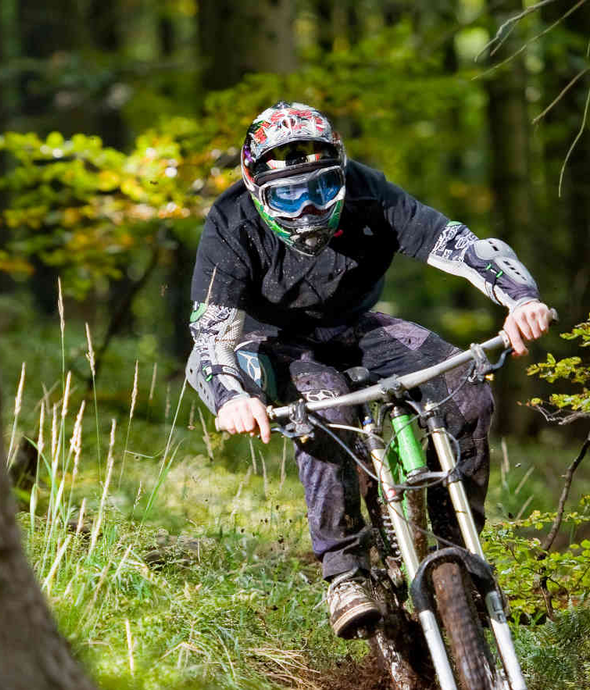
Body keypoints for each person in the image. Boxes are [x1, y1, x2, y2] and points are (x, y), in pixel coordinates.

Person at [185, 101, 552, 639]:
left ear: (342, 172)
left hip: (356, 326)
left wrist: (520, 298)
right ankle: (345, 573)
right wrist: (233, 397)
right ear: (255, 187)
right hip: (278, 344)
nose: (308, 207)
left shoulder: (368, 190)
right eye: (288, 193)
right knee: (324, 414)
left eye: (320, 187)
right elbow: (211, 331)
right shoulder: (231, 221)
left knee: (467, 389)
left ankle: (458, 542)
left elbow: (458, 244)